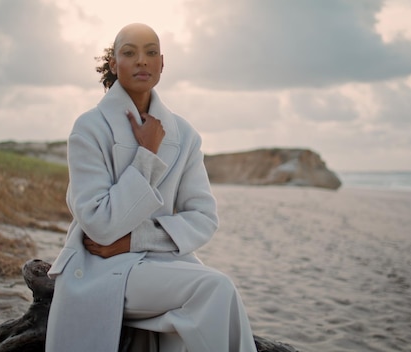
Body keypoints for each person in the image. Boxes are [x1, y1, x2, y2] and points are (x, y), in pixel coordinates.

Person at [45, 23, 258, 352]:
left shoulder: (184, 134)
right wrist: (146, 155)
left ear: (162, 63)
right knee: (216, 288)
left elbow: (203, 218)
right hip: (99, 266)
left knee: (217, 292)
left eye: (151, 52)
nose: (142, 60)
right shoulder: (89, 128)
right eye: (129, 53)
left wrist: (135, 240)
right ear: (114, 65)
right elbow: (100, 226)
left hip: (160, 263)